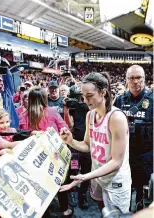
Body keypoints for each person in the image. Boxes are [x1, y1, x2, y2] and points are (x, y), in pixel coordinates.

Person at [60, 72, 131, 213]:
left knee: (116, 215)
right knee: (102, 211)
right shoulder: (90, 115)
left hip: (115, 180)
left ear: (103, 92)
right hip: (97, 175)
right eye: (83, 96)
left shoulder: (116, 118)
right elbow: (87, 146)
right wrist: (71, 141)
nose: (85, 101)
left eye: (89, 96)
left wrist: (84, 177)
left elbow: (116, 161)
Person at [19, 88, 73, 217]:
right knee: (61, 182)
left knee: (38, 186)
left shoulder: (22, 115)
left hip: (34, 158)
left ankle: (44, 210)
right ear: (45, 99)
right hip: (55, 155)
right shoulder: (53, 111)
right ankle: (65, 210)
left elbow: (20, 136)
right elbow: (65, 129)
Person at [114, 65, 153, 209]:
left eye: (138, 78)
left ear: (144, 79)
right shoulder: (119, 100)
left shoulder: (152, 99)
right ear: (126, 80)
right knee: (125, 188)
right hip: (125, 155)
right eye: (131, 78)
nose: (135, 81)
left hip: (147, 156)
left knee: (143, 192)